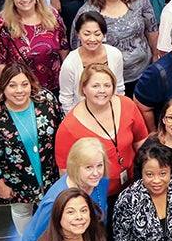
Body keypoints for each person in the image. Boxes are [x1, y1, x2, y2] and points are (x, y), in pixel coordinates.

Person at [0, 63, 63, 234]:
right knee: (22, 212)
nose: (19, 91)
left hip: (50, 174)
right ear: (3, 88)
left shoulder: (46, 100)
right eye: (12, 85)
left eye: (24, 84)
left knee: (53, 213)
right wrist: (0, 185)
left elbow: (61, 129)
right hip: (17, 180)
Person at [56, 64, 149, 200]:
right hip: (96, 197)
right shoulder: (69, 128)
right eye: (95, 86)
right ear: (83, 89)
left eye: (107, 85)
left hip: (133, 187)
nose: (102, 91)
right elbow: (66, 174)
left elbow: (141, 143)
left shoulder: (127, 105)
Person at [18, 138, 110, 241]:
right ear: (75, 167)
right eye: (88, 167)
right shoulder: (54, 201)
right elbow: (41, 239)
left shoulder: (101, 181)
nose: (96, 173)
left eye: (99, 165)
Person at [75, 0, 158, 95]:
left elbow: (151, 27)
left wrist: (155, 55)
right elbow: (77, 46)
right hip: (108, 81)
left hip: (143, 72)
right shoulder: (88, 12)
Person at [0, 0, 69, 94]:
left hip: (54, 87)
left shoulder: (52, 16)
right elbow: (0, 63)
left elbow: (63, 49)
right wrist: (7, 91)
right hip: (22, 91)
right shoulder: (4, 26)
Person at [60, 11, 126, 111]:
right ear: (78, 34)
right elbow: (66, 100)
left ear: (103, 34)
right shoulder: (70, 64)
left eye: (97, 34)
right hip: (83, 115)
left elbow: (119, 88)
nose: (92, 39)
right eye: (86, 34)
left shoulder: (114, 54)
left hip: (111, 111)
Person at [27, 188, 108, 241]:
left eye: (83, 210)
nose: (79, 217)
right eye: (70, 212)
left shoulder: (96, 240)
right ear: (58, 215)